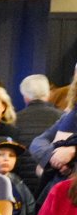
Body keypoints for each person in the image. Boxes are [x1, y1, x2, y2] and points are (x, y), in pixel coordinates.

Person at [28, 64, 77, 192]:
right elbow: (37, 142)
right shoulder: (69, 115)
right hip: (59, 189)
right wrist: (54, 157)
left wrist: (73, 151)